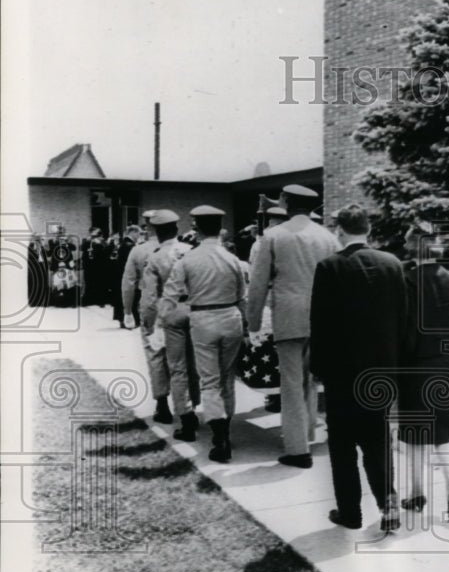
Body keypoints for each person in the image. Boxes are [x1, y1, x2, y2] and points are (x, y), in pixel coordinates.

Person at [310, 204, 407, 532]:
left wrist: (318, 366)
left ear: (339, 230)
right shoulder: (392, 264)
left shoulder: (329, 267)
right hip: (381, 369)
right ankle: (388, 504)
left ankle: (350, 511)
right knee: (378, 441)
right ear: (369, 229)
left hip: (342, 371)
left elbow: (320, 322)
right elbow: (403, 319)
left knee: (342, 444)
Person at [247, 185, 340, 468]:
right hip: (324, 318)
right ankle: (307, 431)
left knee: (291, 383)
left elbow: (258, 284)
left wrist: (253, 323)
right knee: (310, 380)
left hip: (289, 317)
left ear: (286, 202)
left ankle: (297, 449)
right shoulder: (328, 237)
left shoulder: (273, 236)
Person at [160, 205, 246, 463]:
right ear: (220, 229)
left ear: (196, 230)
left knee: (209, 380)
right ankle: (225, 432)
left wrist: (161, 321)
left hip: (203, 318)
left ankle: (220, 439)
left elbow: (170, 295)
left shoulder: (187, 260)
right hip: (231, 317)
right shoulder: (232, 259)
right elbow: (242, 296)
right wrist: (247, 326)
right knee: (227, 379)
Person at [398, 221, 449, 519]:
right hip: (447, 365)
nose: (405, 245)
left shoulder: (407, 281)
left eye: (407, 242)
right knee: (444, 433)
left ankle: (416, 493)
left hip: (416, 366)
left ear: (414, 246)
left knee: (414, 434)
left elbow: (406, 329)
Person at [140, 210, 201, 441]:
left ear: (156, 232)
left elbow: (150, 297)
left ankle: (182, 413)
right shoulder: (190, 250)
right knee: (193, 364)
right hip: (194, 308)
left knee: (175, 366)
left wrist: (150, 323)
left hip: (170, 310)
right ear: (176, 229)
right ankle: (193, 406)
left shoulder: (155, 257)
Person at [123, 210, 172, 422]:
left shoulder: (138, 250)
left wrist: (127, 311)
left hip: (151, 305)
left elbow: (129, 283)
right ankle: (186, 406)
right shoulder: (178, 248)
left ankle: (162, 404)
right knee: (180, 356)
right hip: (177, 305)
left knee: (155, 353)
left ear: (146, 225)